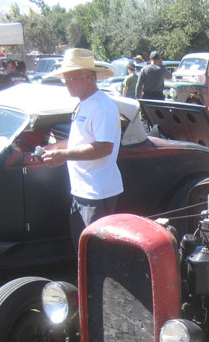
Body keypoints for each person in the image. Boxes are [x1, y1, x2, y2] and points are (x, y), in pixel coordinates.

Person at [41, 49, 123, 251]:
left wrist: (64, 155)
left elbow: (104, 147)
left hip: (97, 192)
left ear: (87, 77)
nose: (66, 83)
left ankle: (100, 283)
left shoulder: (102, 107)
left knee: (96, 250)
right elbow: (83, 139)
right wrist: (56, 147)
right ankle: (86, 282)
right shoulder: (85, 104)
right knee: (83, 247)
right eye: (65, 79)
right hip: (83, 189)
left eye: (69, 78)